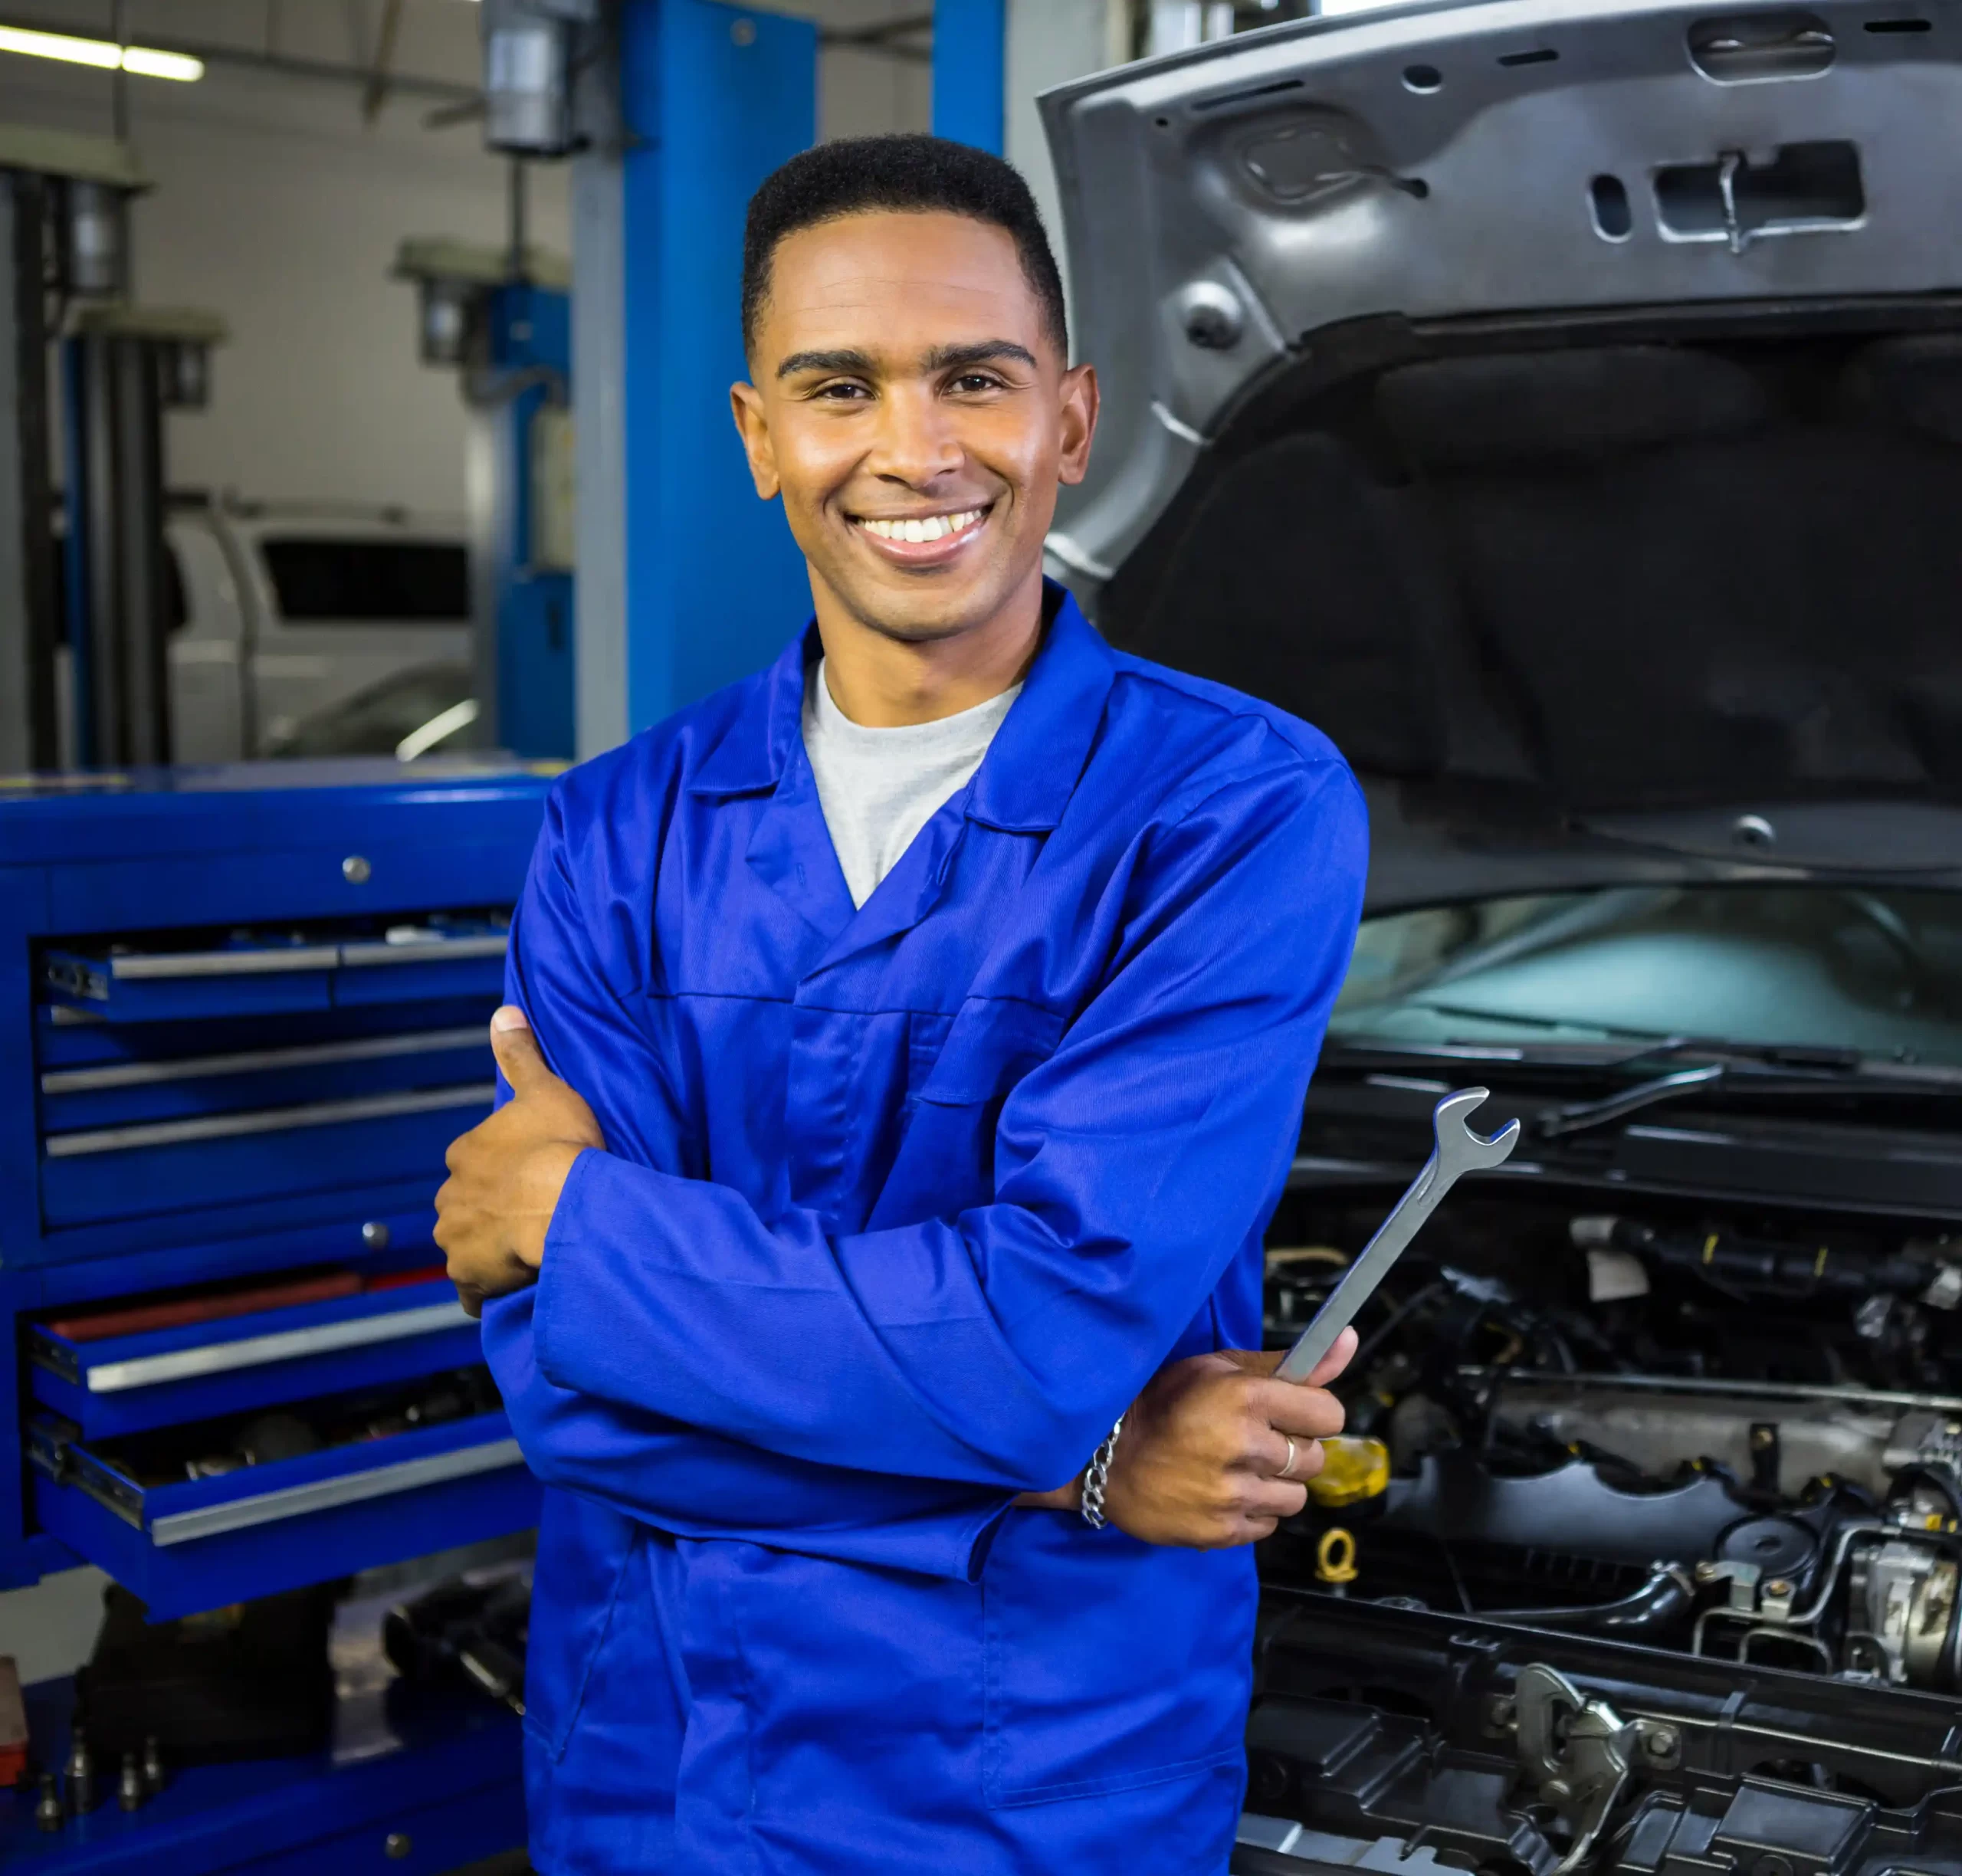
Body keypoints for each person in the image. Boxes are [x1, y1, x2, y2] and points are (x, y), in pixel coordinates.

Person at [435, 133, 1369, 1876]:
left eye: (973, 379)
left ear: (1070, 420)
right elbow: (559, 1390)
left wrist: (585, 1225)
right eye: (836, 386)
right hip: (655, 1758)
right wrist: (1076, 1473)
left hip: (1020, 1787)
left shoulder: (1231, 807)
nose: (911, 449)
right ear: (757, 438)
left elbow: (1032, 1345)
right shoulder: (614, 826)